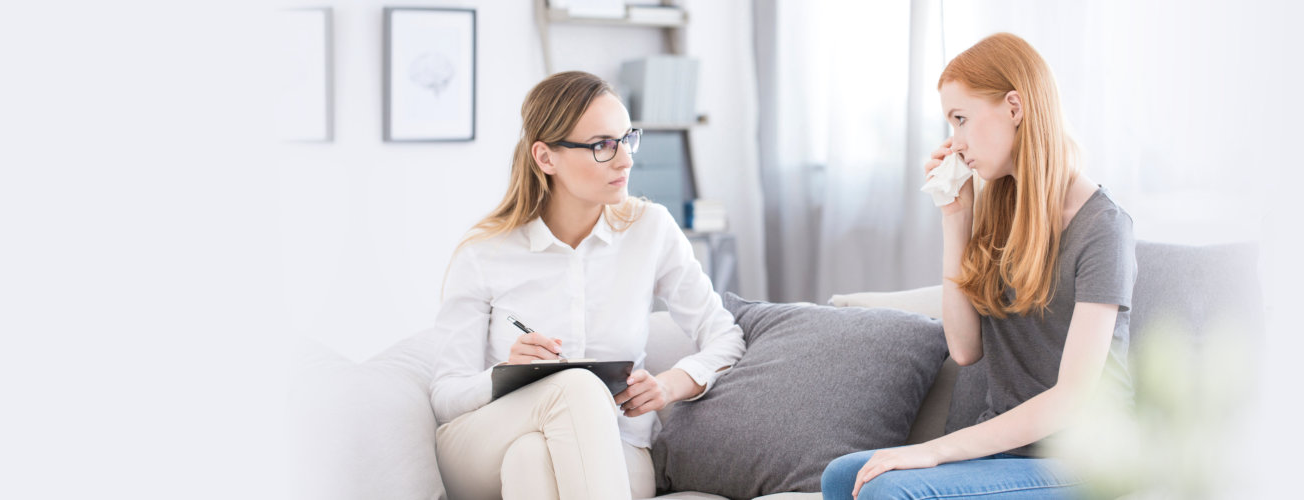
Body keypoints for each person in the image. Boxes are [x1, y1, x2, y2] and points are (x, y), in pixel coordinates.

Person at [820, 32, 1138, 499]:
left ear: (1014, 107)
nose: (956, 143)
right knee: (843, 477)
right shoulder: (998, 208)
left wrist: (935, 450)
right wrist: (956, 218)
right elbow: (965, 348)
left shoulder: (1103, 227)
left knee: (885, 491)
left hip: (1088, 458)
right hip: (1013, 451)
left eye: (961, 119)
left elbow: (1073, 398)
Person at [427, 71, 745, 500]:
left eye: (626, 138)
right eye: (601, 146)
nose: (625, 159)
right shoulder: (485, 252)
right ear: (545, 158)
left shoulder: (651, 230)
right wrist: (506, 375)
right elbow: (446, 396)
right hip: (482, 443)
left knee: (532, 460)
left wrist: (670, 385)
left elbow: (724, 336)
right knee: (576, 387)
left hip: (617, 447)